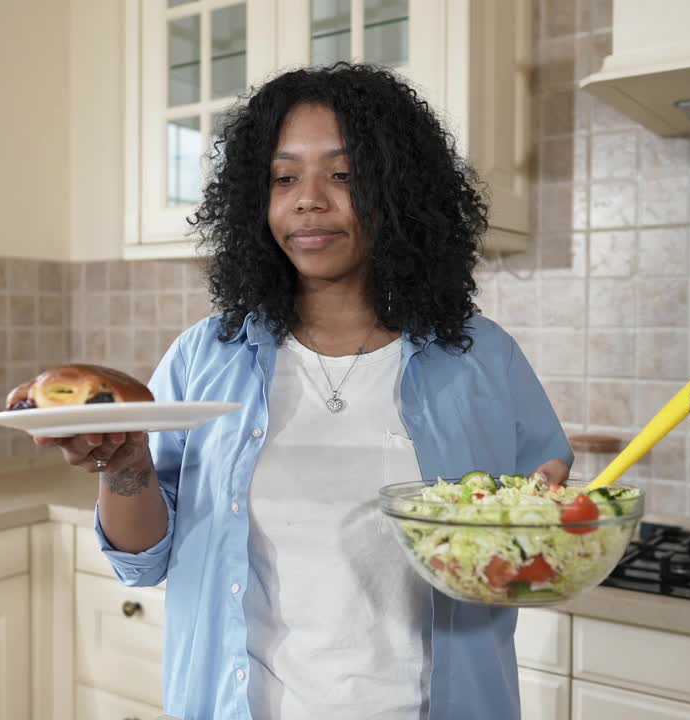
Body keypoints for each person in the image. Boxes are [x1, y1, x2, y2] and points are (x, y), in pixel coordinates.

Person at [37, 63, 572, 720]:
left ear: (399, 190)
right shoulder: (205, 358)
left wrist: (539, 532)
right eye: (283, 177)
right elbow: (142, 564)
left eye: (344, 175)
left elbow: (531, 550)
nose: (308, 200)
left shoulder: (483, 359)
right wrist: (124, 468)